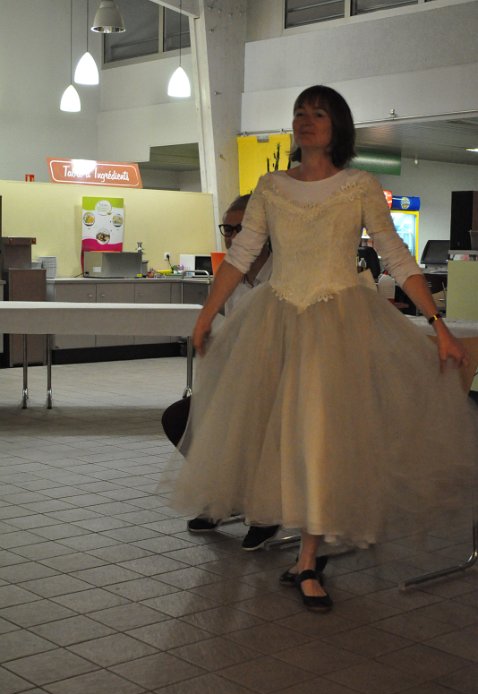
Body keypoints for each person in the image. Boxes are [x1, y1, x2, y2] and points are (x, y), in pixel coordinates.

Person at [168, 85, 477, 612]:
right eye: (300, 113)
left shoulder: (359, 186)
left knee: (323, 436)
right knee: (279, 433)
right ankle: (295, 545)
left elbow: (397, 257)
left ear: (338, 127)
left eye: (318, 113)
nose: (306, 121)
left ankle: (308, 559)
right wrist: (204, 315)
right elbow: (241, 255)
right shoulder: (271, 186)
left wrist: (438, 324)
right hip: (277, 320)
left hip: (338, 325)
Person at [187, 194, 281, 551]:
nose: (233, 236)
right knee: (205, 422)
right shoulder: (232, 280)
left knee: (258, 428)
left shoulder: (283, 274)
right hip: (240, 377)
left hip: (277, 379)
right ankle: (225, 499)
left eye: (241, 228)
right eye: (228, 229)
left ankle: (266, 512)